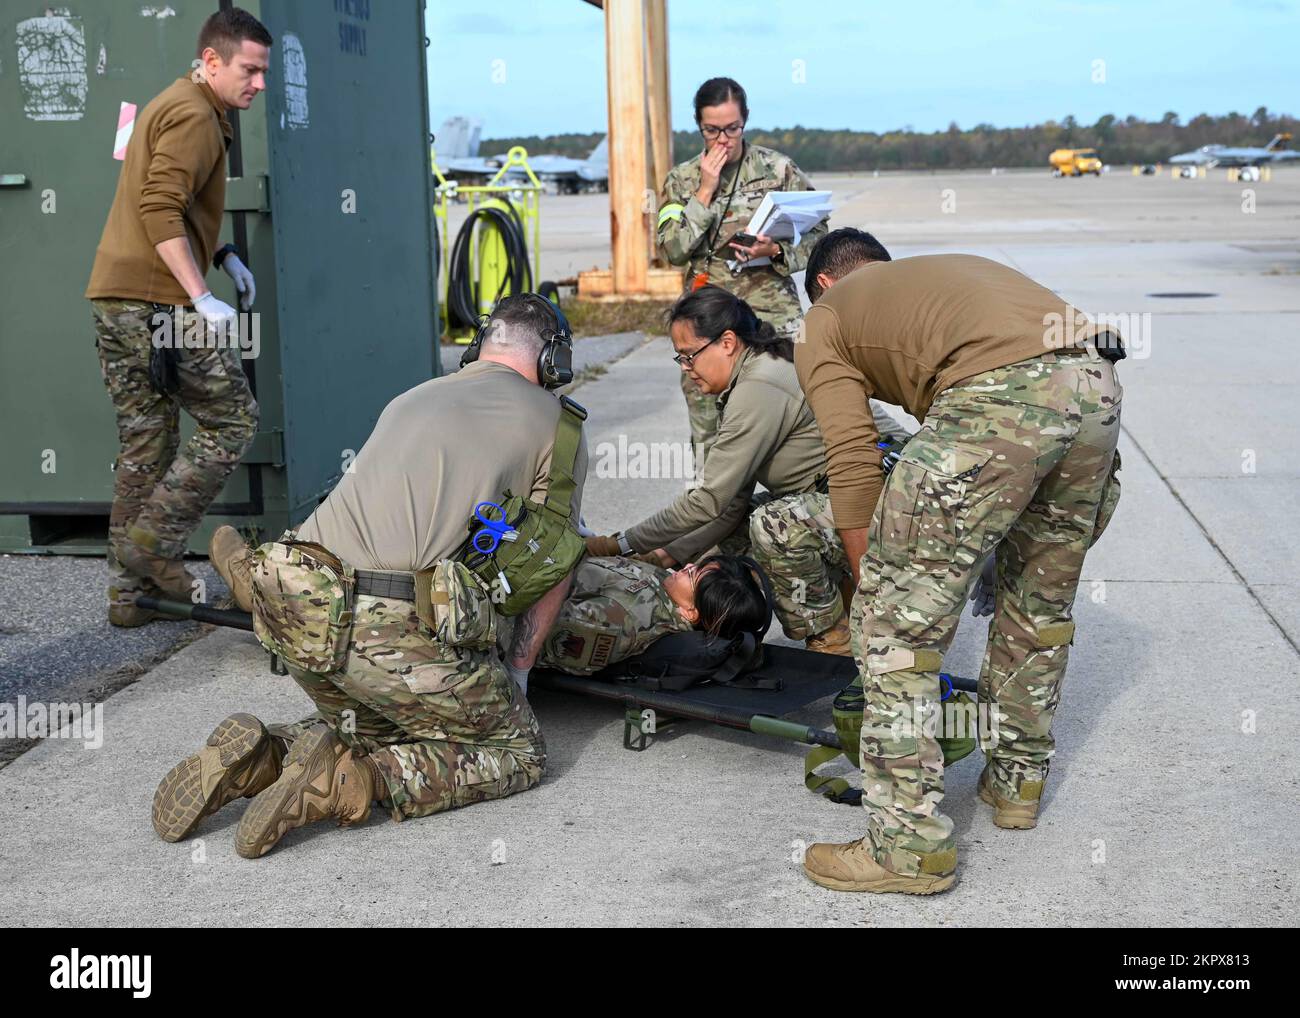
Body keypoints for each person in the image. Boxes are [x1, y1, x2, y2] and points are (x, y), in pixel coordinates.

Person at [153, 294, 589, 858]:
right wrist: (520, 672)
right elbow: (554, 563)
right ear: (554, 359)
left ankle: (263, 759)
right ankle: (343, 787)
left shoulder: (414, 396)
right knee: (517, 751)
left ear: (482, 343)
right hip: (381, 626)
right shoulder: (558, 424)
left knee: (384, 724)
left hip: (295, 609)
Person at [794, 230, 1124, 895]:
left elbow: (854, 459)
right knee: (1035, 607)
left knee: (894, 629)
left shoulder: (821, 321)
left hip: (999, 396)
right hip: (1096, 383)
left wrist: (876, 592)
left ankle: (906, 848)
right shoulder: (945, 275)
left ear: (824, 284)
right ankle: (1015, 787)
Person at [583, 286, 901, 655]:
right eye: (680, 360)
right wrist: (665, 555)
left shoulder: (758, 387)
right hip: (854, 495)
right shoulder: (758, 369)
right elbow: (730, 505)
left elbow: (707, 500)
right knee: (749, 519)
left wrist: (620, 542)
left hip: (888, 502)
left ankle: (831, 639)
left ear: (728, 342)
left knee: (773, 525)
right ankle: (820, 601)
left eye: (689, 357)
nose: (687, 371)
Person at [85, 7, 270, 627]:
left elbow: (177, 202)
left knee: (147, 443)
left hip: (116, 297)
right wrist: (201, 296)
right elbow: (161, 206)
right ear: (213, 61)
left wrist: (223, 253)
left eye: (264, 71)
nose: (259, 83)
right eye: (250, 69)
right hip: (156, 300)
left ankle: (127, 597)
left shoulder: (174, 100)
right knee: (233, 419)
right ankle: (150, 547)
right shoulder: (195, 115)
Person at [657, 77, 827, 465]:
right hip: (707, 320)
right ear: (699, 126)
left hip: (772, 315)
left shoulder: (779, 170)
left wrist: (778, 250)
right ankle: (713, 504)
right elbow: (672, 249)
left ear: (745, 121)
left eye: (732, 128)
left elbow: (821, 236)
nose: (723, 139)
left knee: (798, 400)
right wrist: (704, 191)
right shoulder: (681, 181)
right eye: (712, 130)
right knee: (708, 420)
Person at [538, 554, 768, 675]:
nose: (686, 565)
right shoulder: (669, 588)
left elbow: (532, 633)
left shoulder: (621, 621)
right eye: (694, 567)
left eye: (692, 575)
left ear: (691, 612)